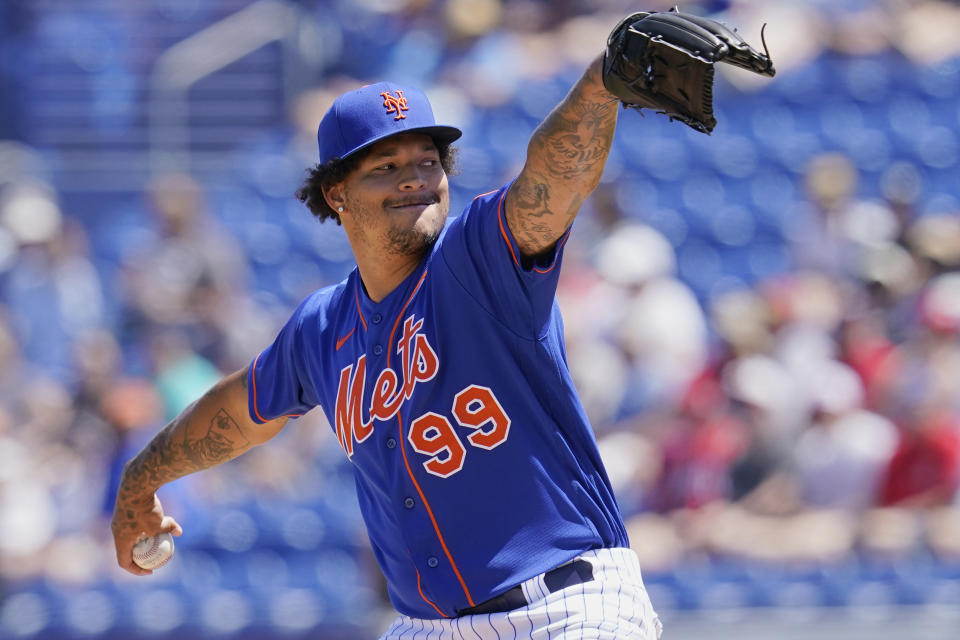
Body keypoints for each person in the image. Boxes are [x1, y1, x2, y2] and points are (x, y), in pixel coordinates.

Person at [111, 52, 664, 639]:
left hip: (565, 610)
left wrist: (600, 85)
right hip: (425, 626)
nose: (414, 179)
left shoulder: (478, 258)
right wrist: (139, 478)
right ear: (336, 194)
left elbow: (551, 183)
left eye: (429, 161)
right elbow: (235, 416)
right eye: (385, 165)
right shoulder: (322, 327)